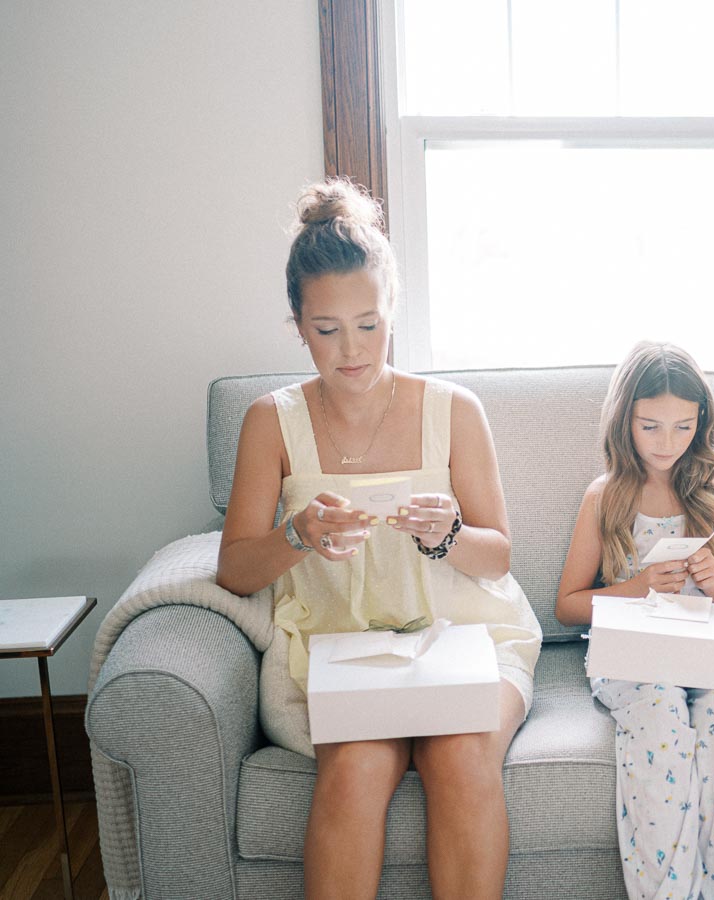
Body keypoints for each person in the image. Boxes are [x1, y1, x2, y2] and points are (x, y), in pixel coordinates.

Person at [216, 178, 542, 899]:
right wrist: (296, 534)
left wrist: (448, 533)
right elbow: (235, 571)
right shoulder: (270, 421)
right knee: (355, 770)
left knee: (462, 758)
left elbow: (499, 556)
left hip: (466, 634)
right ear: (297, 324)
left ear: (392, 309)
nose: (352, 349)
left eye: (369, 324)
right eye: (327, 330)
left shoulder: (455, 410)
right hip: (342, 650)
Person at [555, 342, 714, 900]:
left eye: (683, 427)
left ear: (701, 421)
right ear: (624, 419)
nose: (667, 444)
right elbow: (568, 604)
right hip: (635, 659)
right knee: (660, 724)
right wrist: (635, 588)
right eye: (650, 427)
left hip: (709, 650)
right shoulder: (605, 496)